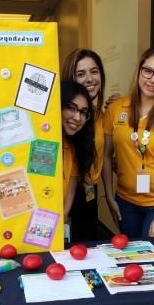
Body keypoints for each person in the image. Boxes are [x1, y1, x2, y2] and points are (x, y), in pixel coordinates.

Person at [101, 47, 154, 238]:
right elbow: (106, 156)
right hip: (126, 202)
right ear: (139, 71)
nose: (153, 79)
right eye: (148, 71)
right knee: (132, 258)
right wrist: (109, 197)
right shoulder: (115, 109)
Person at [61, 49, 107, 241]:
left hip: (88, 190)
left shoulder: (101, 114)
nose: (89, 79)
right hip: (63, 191)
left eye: (94, 72)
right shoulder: (64, 120)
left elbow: (104, 155)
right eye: (81, 74)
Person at [59, 81, 96, 235]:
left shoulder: (73, 147)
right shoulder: (39, 143)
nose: (77, 117)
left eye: (83, 112)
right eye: (71, 108)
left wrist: (64, 217)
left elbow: (72, 184)